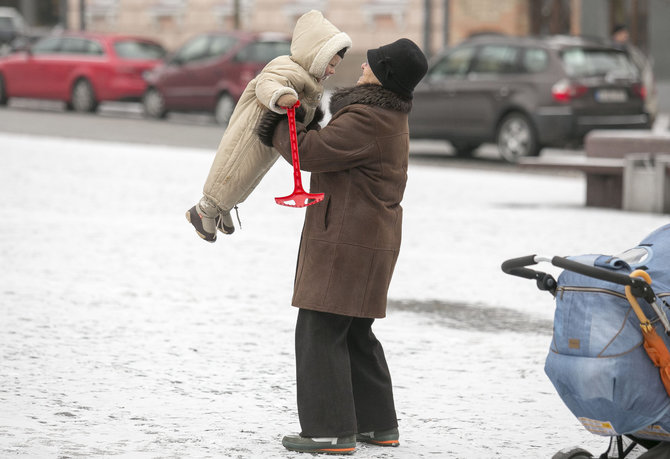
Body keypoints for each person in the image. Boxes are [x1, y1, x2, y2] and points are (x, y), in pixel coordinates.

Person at [256, 38, 428, 455]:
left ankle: (329, 431)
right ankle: (377, 425)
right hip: (366, 240)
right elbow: (335, 151)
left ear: (383, 75)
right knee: (354, 332)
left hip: (348, 242)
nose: (363, 68)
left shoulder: (370, 116)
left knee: (320, 328)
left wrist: (277, 126)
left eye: (370, 65)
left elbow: (313, 153)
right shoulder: (383, 114)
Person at [185, 10, 351, 242]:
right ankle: (204, 210)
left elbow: (307, 110)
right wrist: (281, 95)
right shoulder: (286, 68)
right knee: (233, 170)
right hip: (249, 136)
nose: (332, 71)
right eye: (330, 64)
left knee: (249, 177)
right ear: (316, 57)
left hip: (268, 141)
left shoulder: (312, 81)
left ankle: (224, 208)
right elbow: (267, 84)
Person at [611, 23, 657, 124]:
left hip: (632, 85)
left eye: (626, 33)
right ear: (616, 35)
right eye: (623, 33)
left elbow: (643, 66)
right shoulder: (611, 51)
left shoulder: (630, 50)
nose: (626, 35)